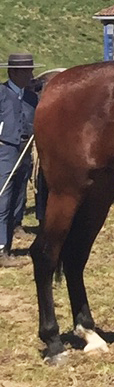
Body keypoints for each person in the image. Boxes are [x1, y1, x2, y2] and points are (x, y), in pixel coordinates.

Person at [0, 53, 40, 266]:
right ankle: (0, 249)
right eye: (26, 72)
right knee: (3, 199)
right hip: (4, 150)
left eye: (31, 71)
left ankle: (9, 241)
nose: (30, 76)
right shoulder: (1, 93)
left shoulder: (31, 98)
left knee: (17, 196)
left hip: (24, 151)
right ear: (13, 73)